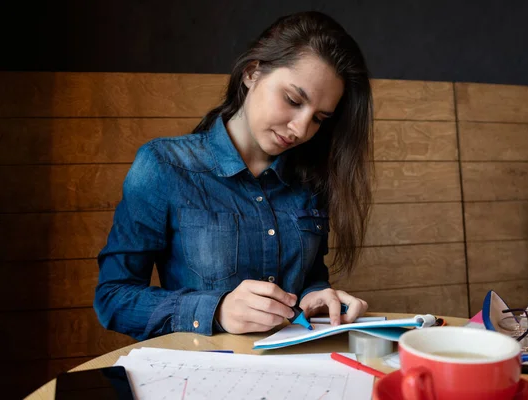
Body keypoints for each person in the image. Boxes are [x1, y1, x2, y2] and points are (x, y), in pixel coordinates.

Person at [94, 11, 374, 340]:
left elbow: (310, 277)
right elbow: (113, 298)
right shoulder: (164, 165)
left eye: (319, 119)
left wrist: (317, 296)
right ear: (252, 73)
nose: (300, 129)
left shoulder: (310, 181)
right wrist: (217, 310)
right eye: (293, 100)